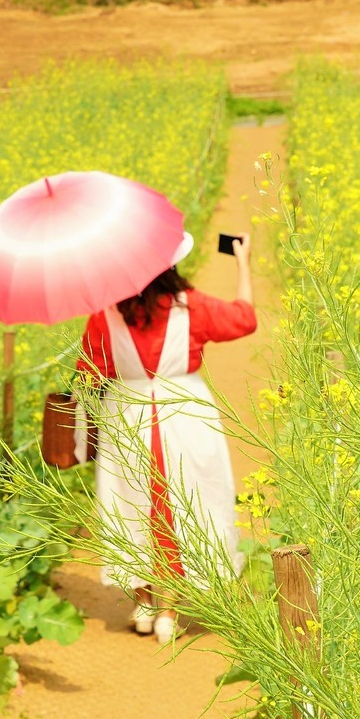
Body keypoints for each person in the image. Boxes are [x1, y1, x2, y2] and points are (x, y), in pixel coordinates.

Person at [75, 232, 255, 646]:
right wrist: (243, 262)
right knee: (186, 501)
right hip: (185, 411)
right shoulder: (192, 305)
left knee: (133, 503)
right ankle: (169, 613)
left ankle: (144, 605)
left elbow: (89, 374)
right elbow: (245, 318)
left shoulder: (105, 314)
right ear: (172, 266)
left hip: (128, 415)